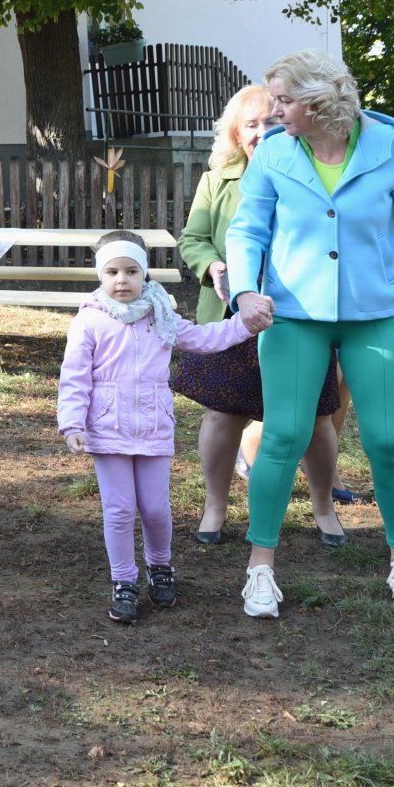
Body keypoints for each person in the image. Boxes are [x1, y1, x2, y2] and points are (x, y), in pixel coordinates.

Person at [226, 49, 394, 618]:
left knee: (387, 440)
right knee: (282, 435)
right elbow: (246, 230)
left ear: (317, 100)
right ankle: (260, 569)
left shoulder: (388, 145)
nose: (273, 110)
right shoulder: (276, 154)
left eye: (283, 100)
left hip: (378, 314)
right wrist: (243, 292)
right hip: (292, 314)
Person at [59, 231, 269, 624]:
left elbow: (204, 338)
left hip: (153, 427)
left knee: (155, 509)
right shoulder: (89, 320)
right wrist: (72, 422)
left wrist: (244, 326)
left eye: (131, 271)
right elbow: (75, 376)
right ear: (100, 275)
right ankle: (124, 580)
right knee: (119, 510)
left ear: (145, 274)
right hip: (108, 430)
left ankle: (160, 566)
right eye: (112, 271)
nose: (122, 279)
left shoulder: (160, 315)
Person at [176, 83, 348, 546]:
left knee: (314, 417)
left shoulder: (313, 173)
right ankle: (215, 508)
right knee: (223, 414)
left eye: (271, 121)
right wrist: (211, 265)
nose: (261, 131)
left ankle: (324, 507)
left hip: (300, 315)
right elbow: (192, 239)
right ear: (235, 133)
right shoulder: (217, 181)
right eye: (250, 124)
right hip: (232, 317)